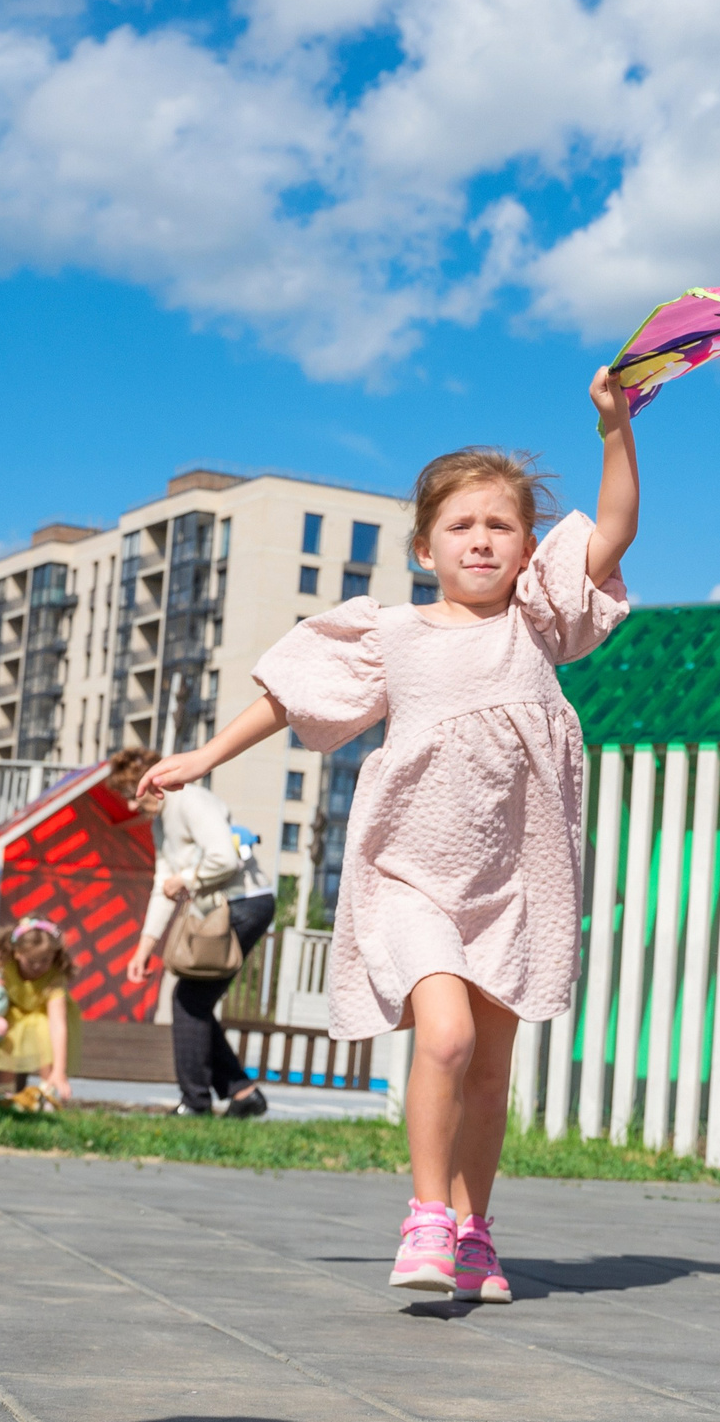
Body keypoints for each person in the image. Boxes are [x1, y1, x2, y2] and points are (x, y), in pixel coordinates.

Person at [136, 376, 638, 1307]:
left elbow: (611, 530)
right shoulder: (390, 634)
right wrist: (200, 755)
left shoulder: (539, 620)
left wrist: (615, 433)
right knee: (442, 1037)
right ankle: (425, 1214)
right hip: (411, 871)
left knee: (491, 1069)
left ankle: (477, 1231)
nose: (482, 539)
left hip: (514, 879)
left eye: (500, 525)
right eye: (461, 526)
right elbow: (290, 696)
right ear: (423, 546)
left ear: (528, 547)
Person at [117, 748, 280, 1117]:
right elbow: (164, 885)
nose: (130, 807)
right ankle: (242, 1094)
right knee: (194, 1001)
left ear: (154, 781)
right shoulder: (161, 821)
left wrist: (186, 879)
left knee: (188, 1000)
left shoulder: (190, 801)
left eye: (133, 794)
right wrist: (144, 949)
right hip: (222, 907)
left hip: (243, 903)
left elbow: (224, 856)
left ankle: (196, 1103)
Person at [0, 917, 75, 1103]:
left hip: (42, 1016)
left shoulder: (54, 977)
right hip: (10, 1014)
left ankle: (48, 1088)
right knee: (7, 1032)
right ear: (17, 953)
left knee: (43, 1030)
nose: (37, 966)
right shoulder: (2, 963)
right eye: (31, 960)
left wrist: (60, 1070)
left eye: (44, 960)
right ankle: (4, 1093)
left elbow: (58, 1025)